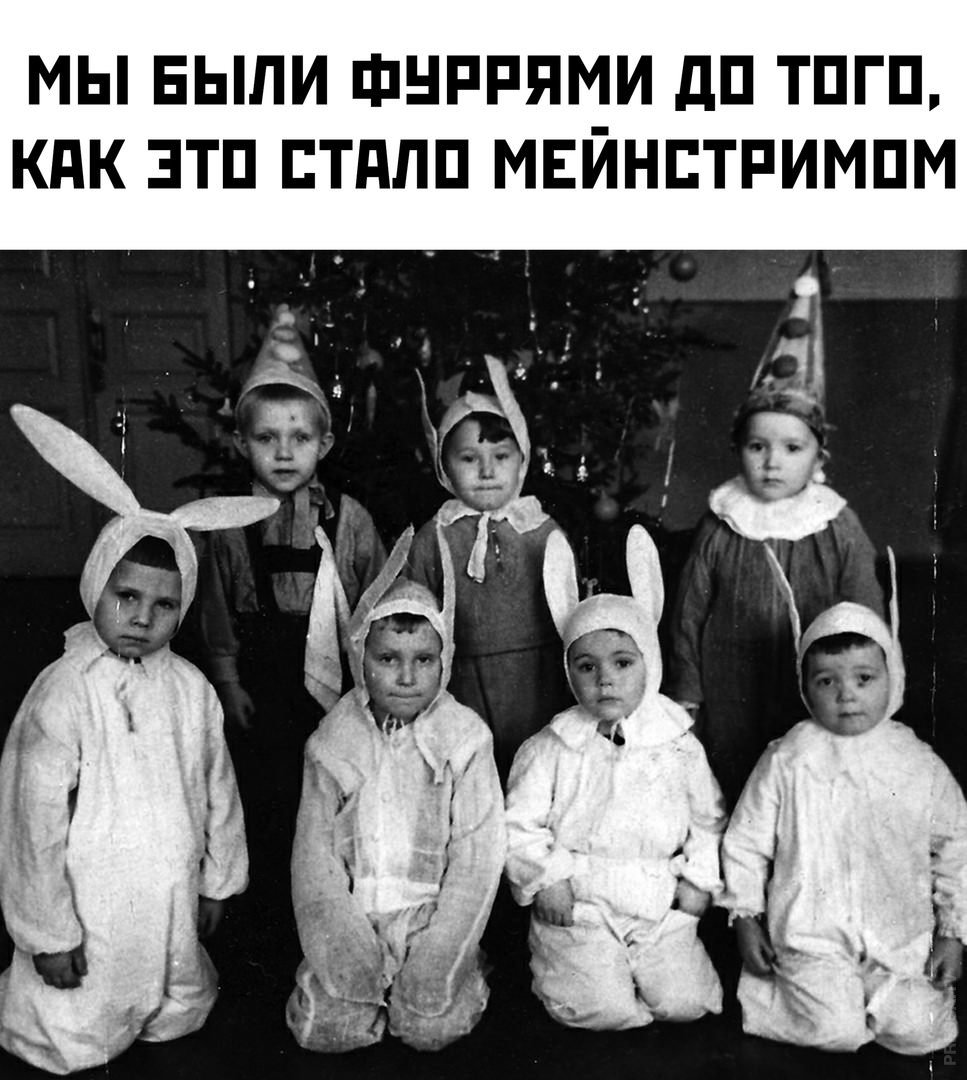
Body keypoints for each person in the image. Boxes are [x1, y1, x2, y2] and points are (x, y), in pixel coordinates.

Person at [0, 405, 277, 1075]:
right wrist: (47, 932)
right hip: (92, 896)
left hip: (170, 886)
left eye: (164, 605)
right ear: (97, 584)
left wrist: (217, 881)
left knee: (175, 1000)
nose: (142, 618)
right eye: (126, 597)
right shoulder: (65, 690)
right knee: (83, 1015)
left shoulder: (189, 688)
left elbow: (217, 786)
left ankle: (163, 1015)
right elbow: (30, 819)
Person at [666, 258, 883, 804]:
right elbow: (689, 612)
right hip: (729, 680)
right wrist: (689, 689)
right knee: (735, 776)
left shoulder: (836, 524)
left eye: (792, 448)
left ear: (818, 456)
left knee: (804, 777)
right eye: (757, 446)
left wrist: (868, 678)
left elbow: (864, 610)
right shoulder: (723, 521)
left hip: (813, 682)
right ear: (738, 449)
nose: (771, 462)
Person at [286, 528, 505, 1053]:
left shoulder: (465, 739)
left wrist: (439, 953)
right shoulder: (332, 741)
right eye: (388, 659)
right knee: (323, 1029)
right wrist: (345, 946)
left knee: (430, 1027)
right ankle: (366, 989)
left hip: (430, 919)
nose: (407, 677)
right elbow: (314, 858)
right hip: (356, 917)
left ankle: (452, 975)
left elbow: (477, 857)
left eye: (423, 660)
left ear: (444, 660)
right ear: (360, 656)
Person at [721, 591, 966, 1056]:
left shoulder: (917, 763)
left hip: (898, 938)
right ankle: (827, 1005)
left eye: (864, 678)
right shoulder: (787, 759)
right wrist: (746, 916)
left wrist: (953, 932)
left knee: (920, 1031)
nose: (846, 694)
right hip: (812, 937)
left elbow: (957, 846)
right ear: (804, 687)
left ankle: (879, 1000)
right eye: (826, 681)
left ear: (893, 678)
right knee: (833, 1030)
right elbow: (745, 843)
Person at [504, 527, 726, 1030]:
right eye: (587, 666)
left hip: (657, 898)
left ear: (649, 662)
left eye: (622, 663)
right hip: (581, 901)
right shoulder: (550, 747)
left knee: (685, 1003)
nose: (605, 679)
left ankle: (647, 972)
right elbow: (518, 825)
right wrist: (547, 880)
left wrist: (698, 882)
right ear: (569, 672)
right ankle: (597, 977)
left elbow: (708, 820)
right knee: (602, 1008)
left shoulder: (678, 743)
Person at [195, 305, 386, 837]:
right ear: (241, 442)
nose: (283, 453)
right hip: (260, 682)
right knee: (268, 796)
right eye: (266, 438)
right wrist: (228, 682)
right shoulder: (227, 523)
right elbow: (215, 613)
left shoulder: (350, 520)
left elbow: (379, 599)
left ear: (324, 444)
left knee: (335, 793)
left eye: (300, 439)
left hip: (337, 682)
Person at [408, 354, 571, 783]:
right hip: (464, 677)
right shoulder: (435, 535)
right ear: (444, 466)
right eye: (468, 458)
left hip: (536, 675)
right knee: (473, 768)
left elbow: (569, 607)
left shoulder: (541, 529)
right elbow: (414, 609)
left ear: (522, 460)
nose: (486, 471)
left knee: (534, 768)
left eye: (501, 456)